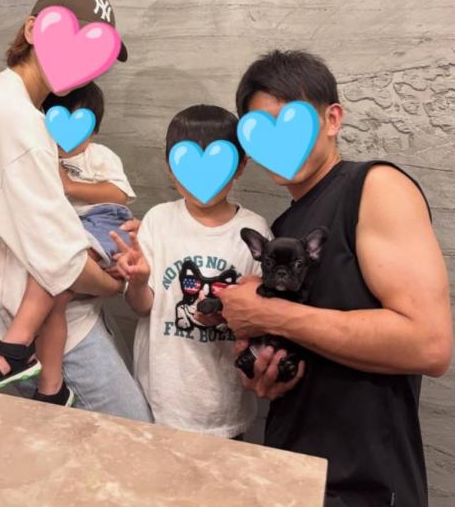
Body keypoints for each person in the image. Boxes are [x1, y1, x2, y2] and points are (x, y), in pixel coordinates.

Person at [217, 50, 452, 507]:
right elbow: (308, 340)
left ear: (332, 119)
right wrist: (265, 372)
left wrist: (270, 314)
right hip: (294, 472)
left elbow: (430, 344)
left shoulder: (375, 186)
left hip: (366, 486)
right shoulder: (285, 228)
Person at [0, 0, 152, 420]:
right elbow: (62, 262)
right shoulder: (21, 124)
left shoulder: (7, 107)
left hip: (61, 319)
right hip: (55, 334)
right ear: (32, 31)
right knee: (135, 435)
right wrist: (118, 284)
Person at [114, 104, 272, 439]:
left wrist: (229, 316)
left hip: (224, 407)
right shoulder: (158, 220)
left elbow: (261, 319)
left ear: (240, 165)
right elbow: (142, 307)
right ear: (170, 167)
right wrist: (139, 282)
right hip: (160, 399)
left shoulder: (254, 231)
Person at [43, 82, 136, 266]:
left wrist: (70, 186)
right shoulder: (42, 154)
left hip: (99, 216)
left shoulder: (99, 155)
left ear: (93, 132)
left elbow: (119, 195)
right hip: (59, 220)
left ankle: (84, 264)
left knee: (114, 232)